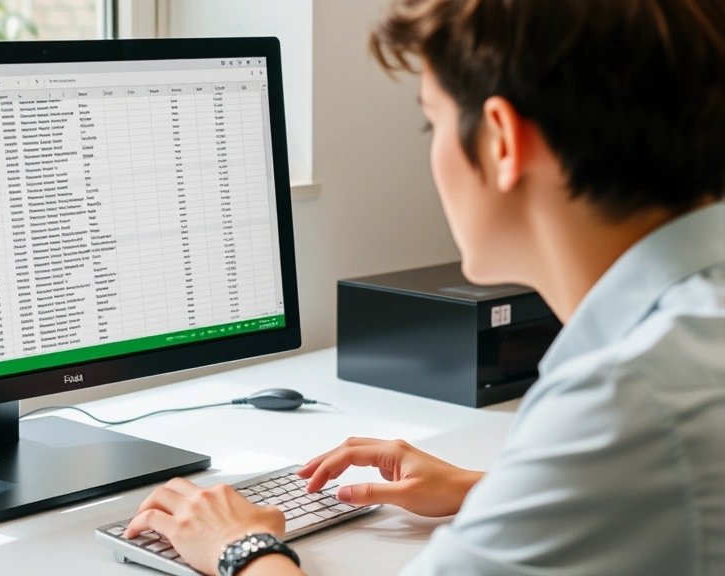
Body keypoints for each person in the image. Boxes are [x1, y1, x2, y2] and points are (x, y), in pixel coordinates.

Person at [123, 0, 725, 574]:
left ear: (500, 141)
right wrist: (493, 491)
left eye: (428, 121)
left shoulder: (626, 398)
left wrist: (241, 547)